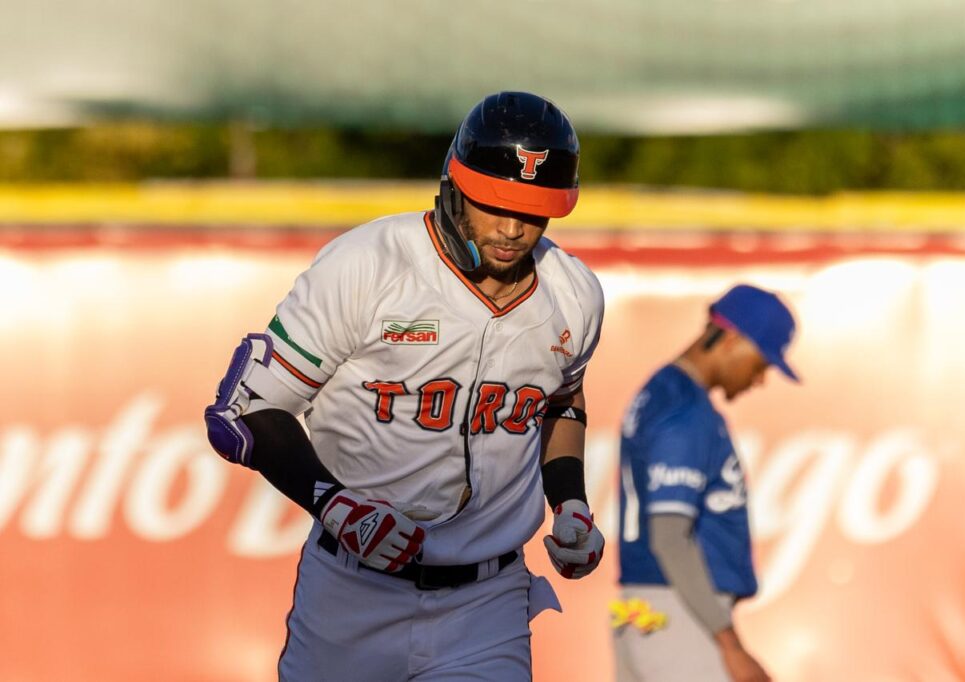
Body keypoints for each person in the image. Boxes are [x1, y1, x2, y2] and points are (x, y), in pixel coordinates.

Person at [203, 91, 606, 681]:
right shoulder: (368, 264)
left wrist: (569, 500)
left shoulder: (574, 293)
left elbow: (562, 400)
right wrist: (335, 505)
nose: (513, 227)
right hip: (350, 594)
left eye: (534, 209)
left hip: (487, 603)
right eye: (495, 203)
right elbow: (245, 412)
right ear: (453, 184)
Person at [614, 284, 800, 682]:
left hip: (648, 608)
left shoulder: (660, 391)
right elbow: (669, 537)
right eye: (762, 362)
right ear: (732, 339)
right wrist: (729, 643)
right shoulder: (685, 410)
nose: (760, 378)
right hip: (679, 613)